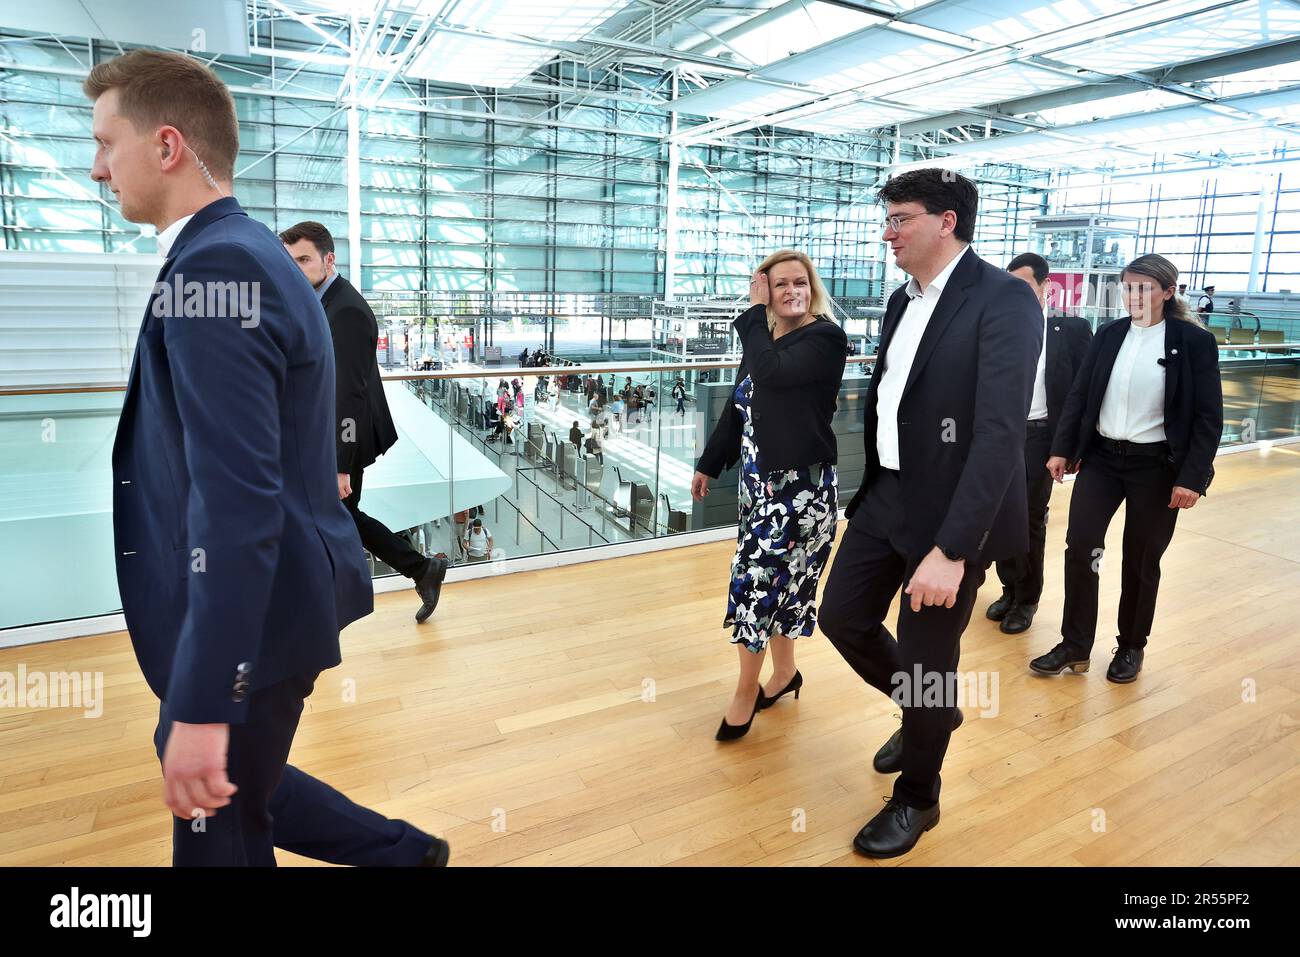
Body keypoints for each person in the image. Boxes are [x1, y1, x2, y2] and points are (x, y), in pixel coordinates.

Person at [88, 49, 446, 866]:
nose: (96, 166)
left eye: (108, 142)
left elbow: (239, 503)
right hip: (275, 600)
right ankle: (405, 853)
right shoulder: (246, 249)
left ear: (168, 145)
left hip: (259, 611)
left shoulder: (214, 266)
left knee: (218, 828)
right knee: (238, 782)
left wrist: (208, 697)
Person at [816, 168, 1042, 858]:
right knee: (842, 616)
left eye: (900, 218)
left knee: (927, 657)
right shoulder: (899, 299)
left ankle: (919, 795)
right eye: (887, 218)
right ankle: (929, 713)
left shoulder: (1003, 300)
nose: (888, 232)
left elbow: (1000, 433)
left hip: (950, 515)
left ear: (947, 221)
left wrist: (953, 548)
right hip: (887, 493)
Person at [1032, 254, 1223, 682]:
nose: (1133, 296)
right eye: (1128, 287)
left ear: (1168, 292)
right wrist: (1062, 448)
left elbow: (1208, 418)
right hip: (1101, 459)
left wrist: (1192, 477)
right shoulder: (1109, 334)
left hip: (1156, 467)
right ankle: (1075, 645)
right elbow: (1081, 395)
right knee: (1081, 549)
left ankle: (1131, 646)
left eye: (1144, 288)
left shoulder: (1194, 343)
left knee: (1141, 559)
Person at [692, 249, 847, 743]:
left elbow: (775, 374)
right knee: (784, 588)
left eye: (799, 282)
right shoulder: (764, 344)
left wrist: (755, 316)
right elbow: (738, 411)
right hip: (759, 490)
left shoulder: (824, 337)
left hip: (801, 494)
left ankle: (745, 693)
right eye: (780, 284)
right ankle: (784, 675)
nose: (791, 291)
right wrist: (709, 464)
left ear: (812, 286)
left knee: (755, 587)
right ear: (767, 289)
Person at [281, 221, 449, 625]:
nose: (296, 269)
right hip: (329, 433)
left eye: (304, 259)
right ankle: (420, 570)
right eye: (290, 262)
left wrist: (340, 464)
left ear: (328, 259)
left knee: (337, 514)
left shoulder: (347, 310)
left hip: (346, 434)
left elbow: (348, 393)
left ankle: (402, 575)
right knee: (338, 516)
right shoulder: (322, 300)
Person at [985, 253, 1093, 634]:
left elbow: (1084, 393)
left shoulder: (1071, 330)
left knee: (1029, 518)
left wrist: (1070, 448)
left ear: (1046, 288)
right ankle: (1008, 588)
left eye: (1027, 286)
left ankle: (1026, 599)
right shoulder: (999, 327)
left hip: (1040, 436)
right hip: (999, 436)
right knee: (997, 515)